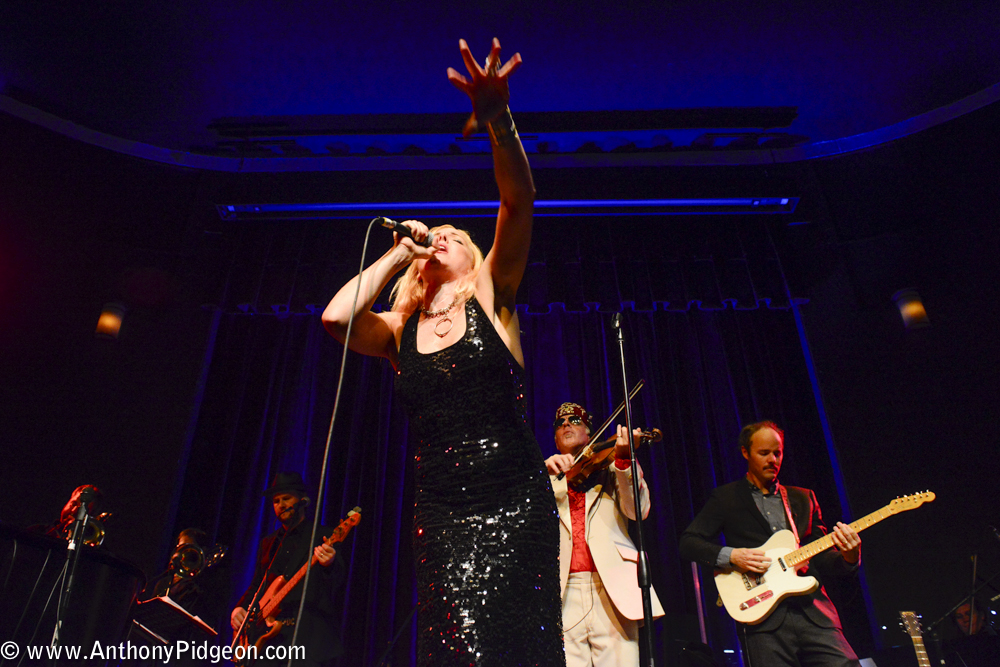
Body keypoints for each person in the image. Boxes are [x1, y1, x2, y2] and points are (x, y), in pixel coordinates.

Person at [322, 38, 565, 666]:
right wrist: (404, 249)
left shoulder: (492, 297)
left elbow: (519, 202)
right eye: (442, 233)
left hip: (516, 502)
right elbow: (336, 317)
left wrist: (498, 120)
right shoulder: (399, 331)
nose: (447, 237)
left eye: (458, 236)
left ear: (473, 260)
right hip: (443, 513)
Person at [678, 421, 862, 667]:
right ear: (746, 453)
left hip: (814, 614)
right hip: (763, 623)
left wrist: (850, 556)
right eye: (764, 453)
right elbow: (688, 543)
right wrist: (732, 555)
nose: (773, 459)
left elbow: (821, 557)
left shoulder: (802, 498)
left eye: (778, 453)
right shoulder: (726, 498)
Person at [544, 402, 664, 667]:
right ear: (554, 438)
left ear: (590, 434)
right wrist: (541, 476)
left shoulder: (613, 468)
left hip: (611, 587)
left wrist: (623, 459)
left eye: (575, 421)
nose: (565, 424)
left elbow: (638, 511)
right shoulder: (545, 477)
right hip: (563, 590)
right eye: (560, 423)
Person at [231, 472, 345, 667]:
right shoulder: (269, 543)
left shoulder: (322, 535)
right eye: (276, 501)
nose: (281, 505)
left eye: (286, 498)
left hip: (305, 636)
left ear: (302, 500)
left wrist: (330, 563)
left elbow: (340, 582)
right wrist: (239, 608)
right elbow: (258, 584)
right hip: (268, 639)